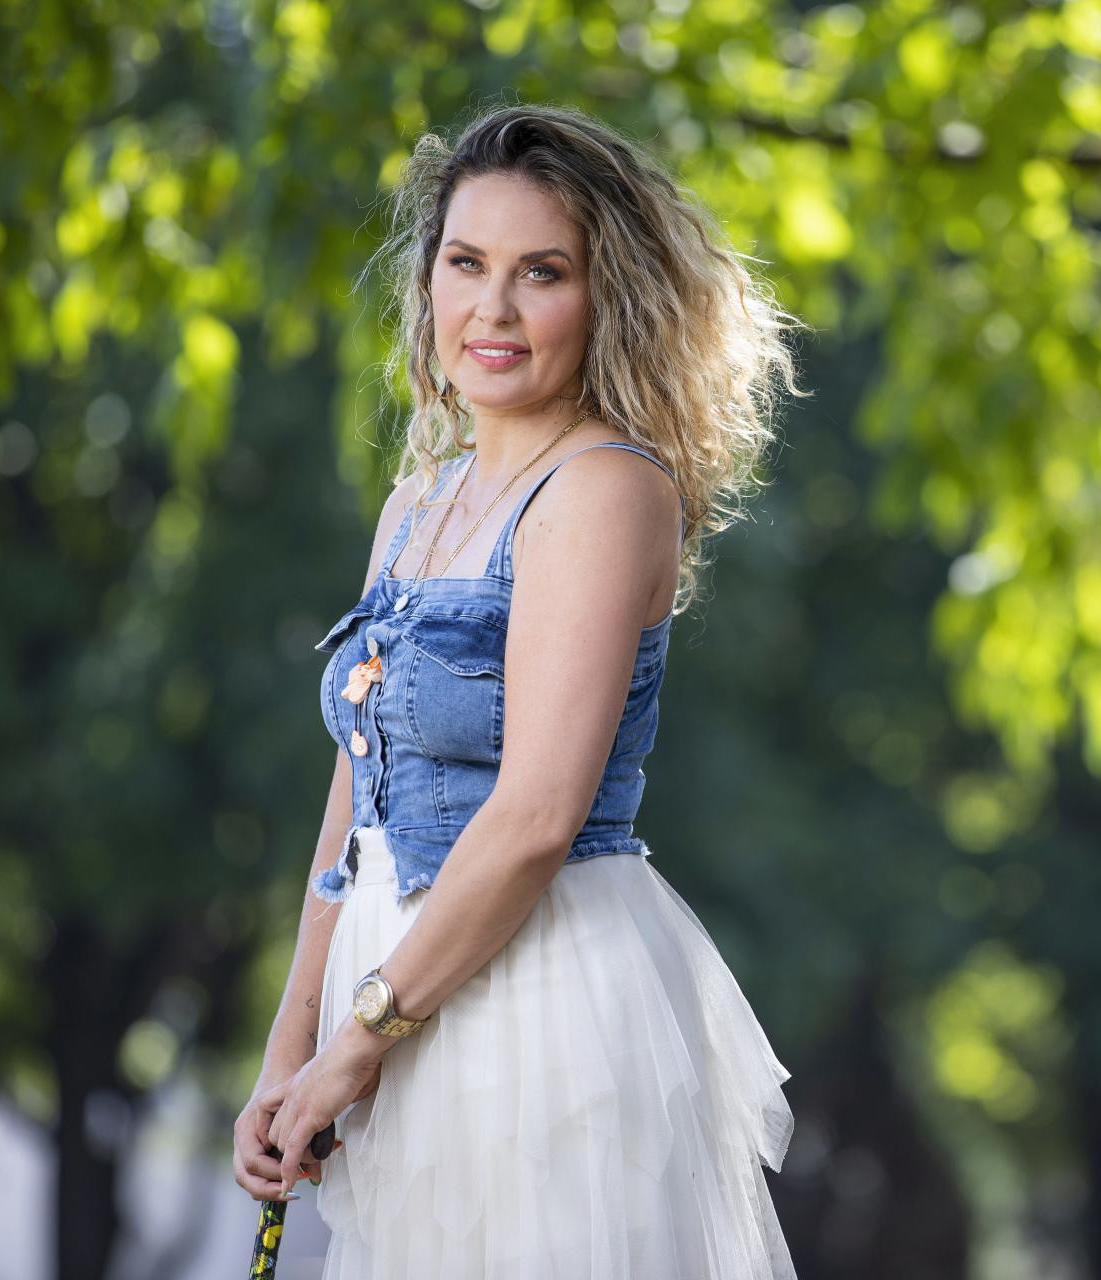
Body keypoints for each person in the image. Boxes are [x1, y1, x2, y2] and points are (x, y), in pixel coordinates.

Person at [233, 100, 811, 1279]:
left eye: (540, 272)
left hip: (534, 1000)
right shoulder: (416, 502)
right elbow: (355, 803)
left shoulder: (604, 489)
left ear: (605, 299)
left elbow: (539, 814)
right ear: (428, 281)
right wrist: (291, 1042)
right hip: (391, 1003)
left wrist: (361, 1035)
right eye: (466, 263)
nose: (491, 308)